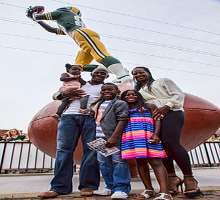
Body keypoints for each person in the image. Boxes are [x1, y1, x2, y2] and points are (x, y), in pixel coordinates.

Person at [38, 65, 109, 199]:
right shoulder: (78, 83)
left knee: (92, 150)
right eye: (97, 72)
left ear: (107, 77)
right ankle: (59, 187)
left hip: (91, 119)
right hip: (68, 117)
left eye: (103, 73)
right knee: (64, 150)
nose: (100, 74)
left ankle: (88, 186)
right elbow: (56, 95)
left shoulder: (105, 88)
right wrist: (64, 94)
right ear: (91, 74)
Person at [131, 66, 202, 198]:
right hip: (154, 116)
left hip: (172, 112)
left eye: (141, 72)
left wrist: (166, 106)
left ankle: (189, 178)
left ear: (148, 72)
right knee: (161, 146)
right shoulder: (138, 91)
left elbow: (178, 94)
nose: (138, 75)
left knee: (171, 142)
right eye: (135, 74)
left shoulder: (163, 81)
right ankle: (172, 177)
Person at [26, 6, 129, 83]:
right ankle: (116, 70)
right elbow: (52, 30)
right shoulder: (68, 20)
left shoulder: (63, 12)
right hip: (80, 36)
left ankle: (123, 75)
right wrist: (37, 20)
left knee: (101, 55)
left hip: (80, 34)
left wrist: (34, 14)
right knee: (79, 66)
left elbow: (42, 16)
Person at [120, 90, 172, 200]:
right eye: (127, 95)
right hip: (132, 137)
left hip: (148, 136)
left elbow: (157, 119)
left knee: (156, 162)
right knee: (140, 162)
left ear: (139, 96)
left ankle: (165, 192)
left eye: (134, 94)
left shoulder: (149, 106)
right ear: (123, 98)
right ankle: (149, 189)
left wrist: (156, 134)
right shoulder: (124, 109)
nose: (131, 96)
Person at [90, 83, 131, 199]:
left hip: (113, 138)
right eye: (103, 90)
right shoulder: (99, 104)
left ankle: (121, 189)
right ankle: (110, 187)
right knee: (103, 163)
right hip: (99, 139)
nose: (106, 91)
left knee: (118, 162)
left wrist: (114, 137)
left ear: (117, 91)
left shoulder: (120, 103)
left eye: (110, 89)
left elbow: (122, 120)